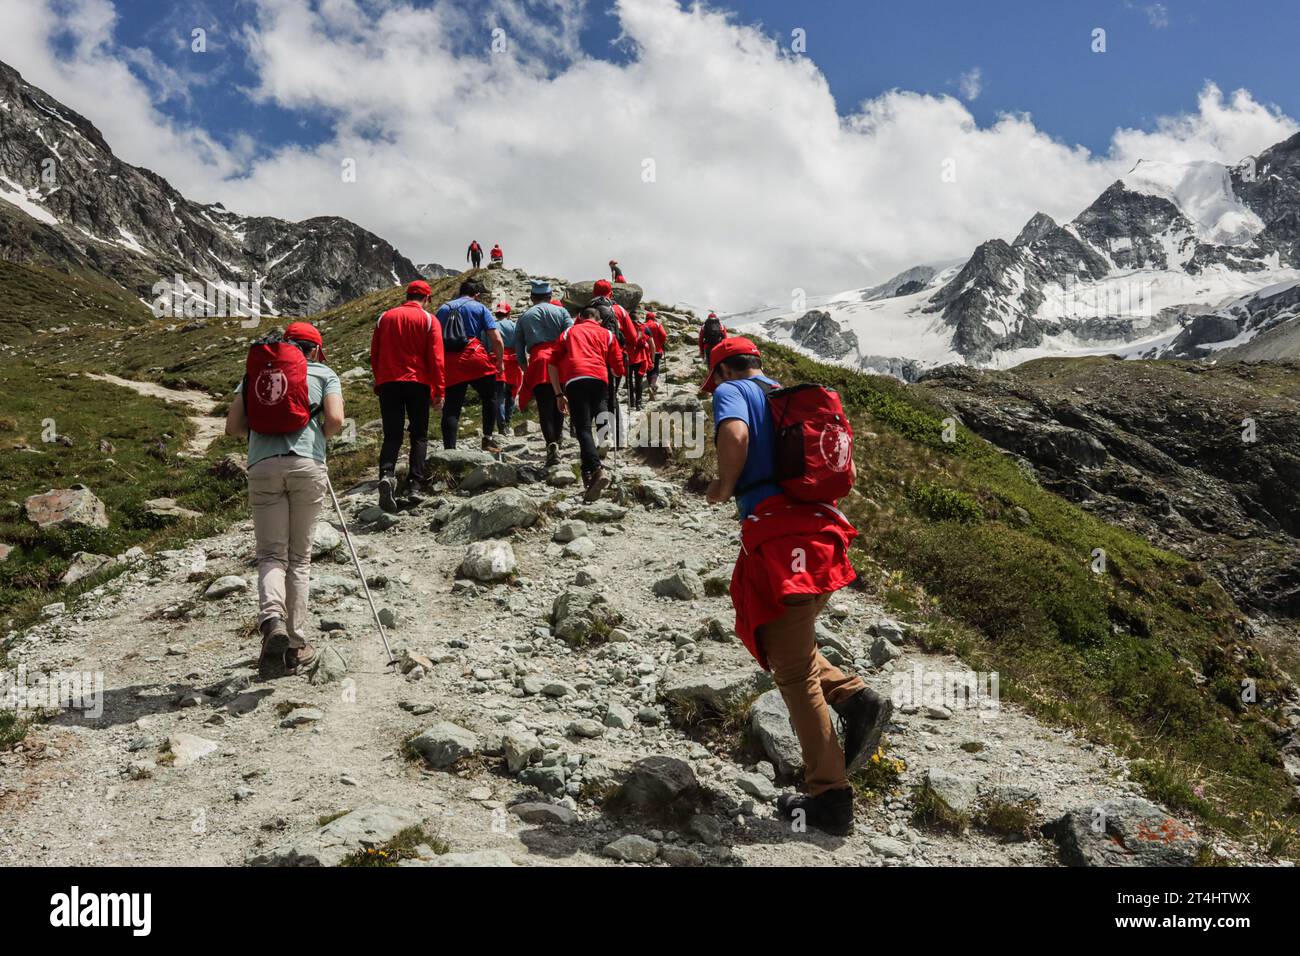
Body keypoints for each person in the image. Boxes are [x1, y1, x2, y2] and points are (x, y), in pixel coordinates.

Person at [701, 337, 891, 836]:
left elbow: (736, 436)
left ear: (719, 370)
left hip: (781, 543)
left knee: (791, 674)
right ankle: (852, 696)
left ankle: (829, 797)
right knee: (783, 641)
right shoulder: (790, 397)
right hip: (824, 536)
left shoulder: (733, 390)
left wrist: (722, 487)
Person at [225, 322, 345, 681]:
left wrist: (265, 433)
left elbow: (232, 427)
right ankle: (294, 645)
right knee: (299, 558)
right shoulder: (324, 373)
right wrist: (316, 439)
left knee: (271, 555)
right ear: (314, 350)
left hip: (262, 466)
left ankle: (271, 620)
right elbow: (336, 419)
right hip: (307, 465)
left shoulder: (255, 373)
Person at [370, 279, 445, 512]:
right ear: (427, 298)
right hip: (417, 382)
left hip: (389, 382)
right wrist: (439, 390)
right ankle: (414, 485)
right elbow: (437, 359)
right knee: (419, 434)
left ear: (407, 294)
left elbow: (375, 353)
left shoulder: (385, 317)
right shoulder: (428, 319)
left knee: (392, 434)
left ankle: (386, 474)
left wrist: (380, 378)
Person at [549, 307, 624, 501]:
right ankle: (602, 442)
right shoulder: (607, 333)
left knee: (582, 427)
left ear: (580, 318)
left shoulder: (569, 332)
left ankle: (595, 469)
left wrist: (558, 393)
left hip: (575, 378)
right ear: (599, 320)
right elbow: (617, 365)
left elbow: (552, 362)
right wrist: (616, 371)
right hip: (599, 378)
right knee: (601, 412)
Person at [436, 279, 506, 451]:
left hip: (450, 361)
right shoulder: (479, 307)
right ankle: (488, 439)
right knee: (489, 397)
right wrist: (499, 360)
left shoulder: (443, 309)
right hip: (475, 357)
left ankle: (449, 450)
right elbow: (496, 339)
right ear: (477, 295)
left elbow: (435, 339)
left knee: (452, 407)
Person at [515, 280, 573, 466]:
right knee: (560, 400)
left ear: (532, 297)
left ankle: (551, 444)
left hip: (538, 361)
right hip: (560, 362)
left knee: (544, 406)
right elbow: (570, 336)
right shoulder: (562, 312)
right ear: (549, 296)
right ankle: (558, 438)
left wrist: (525, 368)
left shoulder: (525, 316)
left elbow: (518, 347)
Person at [586, 279, 636, 446]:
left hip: (594, 360)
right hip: (616, 358)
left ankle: (603, 436)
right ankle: (619, 438)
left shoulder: (587, 312)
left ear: (594, 293)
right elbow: (633, 337)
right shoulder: (618, 310)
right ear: (611, 293)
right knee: (612, 396)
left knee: (598, 397)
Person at [493, 302, 523, 432]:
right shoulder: (515, 326)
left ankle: (501, 426)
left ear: (496, 313)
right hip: (512, 363)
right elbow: (521, 345)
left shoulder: (491, 326)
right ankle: (508, 422)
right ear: (509, 314)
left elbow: (486, 344)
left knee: (499, 396)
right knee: (511, 394)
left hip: (497, 361)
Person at [644, 310, 667, 398]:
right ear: (654, 318)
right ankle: (652, 385)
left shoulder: (644, 325)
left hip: (646, 351)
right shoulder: (657, 324)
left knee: (648, 369)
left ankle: (651, 388)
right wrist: (661, 343)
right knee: (655, 369)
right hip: (657, 350)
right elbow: (664, 335)